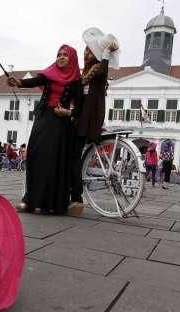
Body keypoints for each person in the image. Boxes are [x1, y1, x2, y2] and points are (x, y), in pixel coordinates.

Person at [8, 44, 83, 214]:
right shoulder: (50, 74)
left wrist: (68, 112)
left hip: (61, 123)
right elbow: (34, 81)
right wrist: (18, 82)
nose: (61, 57)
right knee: (34, 155)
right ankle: (29, 200)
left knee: (53, 161)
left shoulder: (77, 80)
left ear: (72, 59)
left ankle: (52, 203)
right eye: (59, 54)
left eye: (65, 55)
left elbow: (80, 106)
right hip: (43, 117)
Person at [68, 28, 120, 213]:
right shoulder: (86, 73)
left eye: (89, 50)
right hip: (83, 117)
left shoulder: (97, 69)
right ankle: (74, 194)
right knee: (75, 157)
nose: (85, 52)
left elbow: (103, 69)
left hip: (87, 120)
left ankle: (76, 198)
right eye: (85, 49)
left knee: (74, 158)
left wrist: (106, 52)